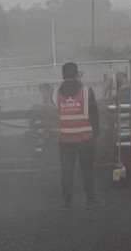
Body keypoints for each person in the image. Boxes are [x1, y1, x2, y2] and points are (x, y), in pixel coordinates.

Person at [55, 62, 101, 210]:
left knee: (67, 172)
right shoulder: (87, 92)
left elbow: (55, 115)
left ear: (63, 75)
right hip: (86, 139)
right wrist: (96, 132)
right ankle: (91, 200)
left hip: (65, 140)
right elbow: (95, 114)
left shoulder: (55, 94)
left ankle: (67, 203)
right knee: (87, 170)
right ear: (77, 74)